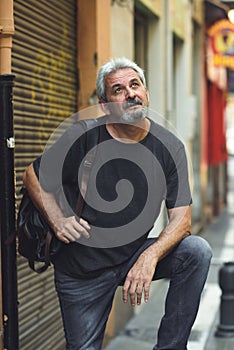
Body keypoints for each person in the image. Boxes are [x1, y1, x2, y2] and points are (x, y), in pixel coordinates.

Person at [23, 57, 212, 350]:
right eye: (118, 90)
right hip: (81, 269)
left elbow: (182, 220)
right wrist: (58, 219)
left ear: (146, 92)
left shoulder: (169, 147)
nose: (130, 94)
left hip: (132, 255)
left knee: (196, 251)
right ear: (105, 104)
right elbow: (31, 176)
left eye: (135, 85)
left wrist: (148, 258)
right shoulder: (83, 136)